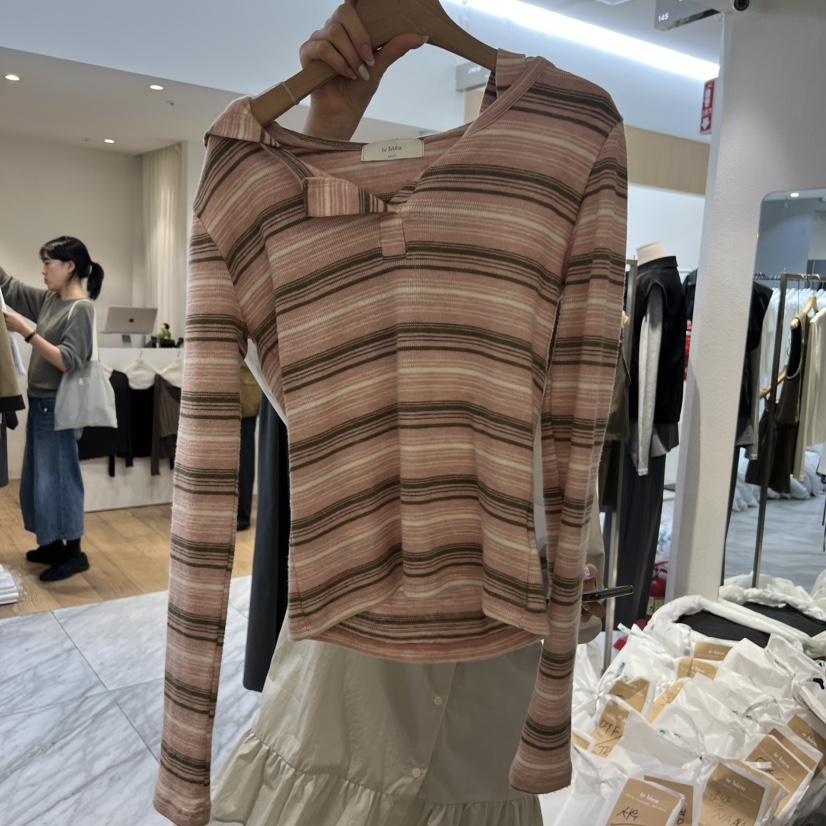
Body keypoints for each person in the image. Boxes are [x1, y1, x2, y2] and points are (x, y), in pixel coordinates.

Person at [156, 6, 607, 824]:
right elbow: (224, 455)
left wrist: (555, 695)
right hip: (349, 627)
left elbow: (579, 421)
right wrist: (327, 125)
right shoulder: (244, 177)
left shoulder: (569, 145)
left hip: (498, 618)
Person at [0, 237, 103, 581]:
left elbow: (68, 360)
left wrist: (26, 332)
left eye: (48, 263)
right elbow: (10, 287)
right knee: (41, 480)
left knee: (60, 480)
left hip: (58, 407)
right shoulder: (50, 300)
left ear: (69, 266)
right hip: (42, 404)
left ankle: (74, 553)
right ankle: (53, 543)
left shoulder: (81, 309)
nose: (43, 271)